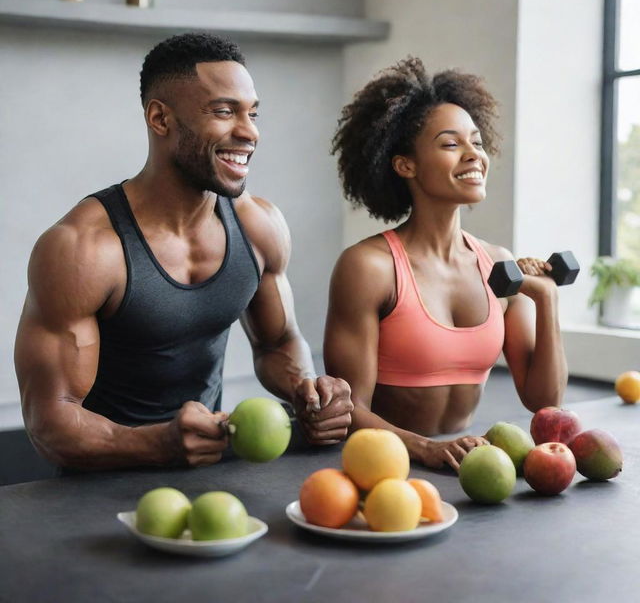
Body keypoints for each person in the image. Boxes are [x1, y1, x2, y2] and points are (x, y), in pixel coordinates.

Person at [14, 33, 353, 471]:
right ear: (160, 118)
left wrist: (308, 390)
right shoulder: (83, 249)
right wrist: (158, 444)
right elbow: (50, 422)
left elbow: (278, 342)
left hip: (209, 470)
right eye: (224, 111)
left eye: (252, 113)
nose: (249, 132)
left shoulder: (259, 226)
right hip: (97, 488)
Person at [324, 57, 567, 472]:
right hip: (387, 467)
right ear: (405, 165)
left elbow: (543, 400)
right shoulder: (369, 267)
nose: (474, 155)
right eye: (451, 144)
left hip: (467, 469)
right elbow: (350, 411)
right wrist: (425, 449)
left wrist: (545, 300)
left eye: (477, 141)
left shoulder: (500, 263)